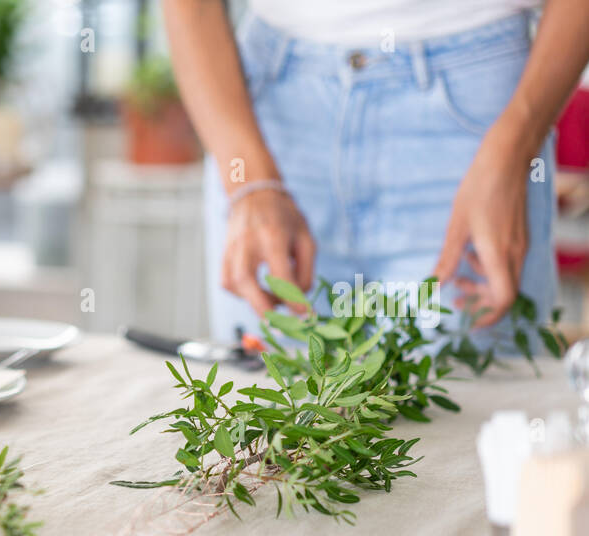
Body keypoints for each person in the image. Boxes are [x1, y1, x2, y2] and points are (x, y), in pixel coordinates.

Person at [164, 0, 589, 343]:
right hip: (268, 117)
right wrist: (249, 182)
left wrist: (515, 149)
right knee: (265, 430)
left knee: (472, 427)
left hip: (479, 123)